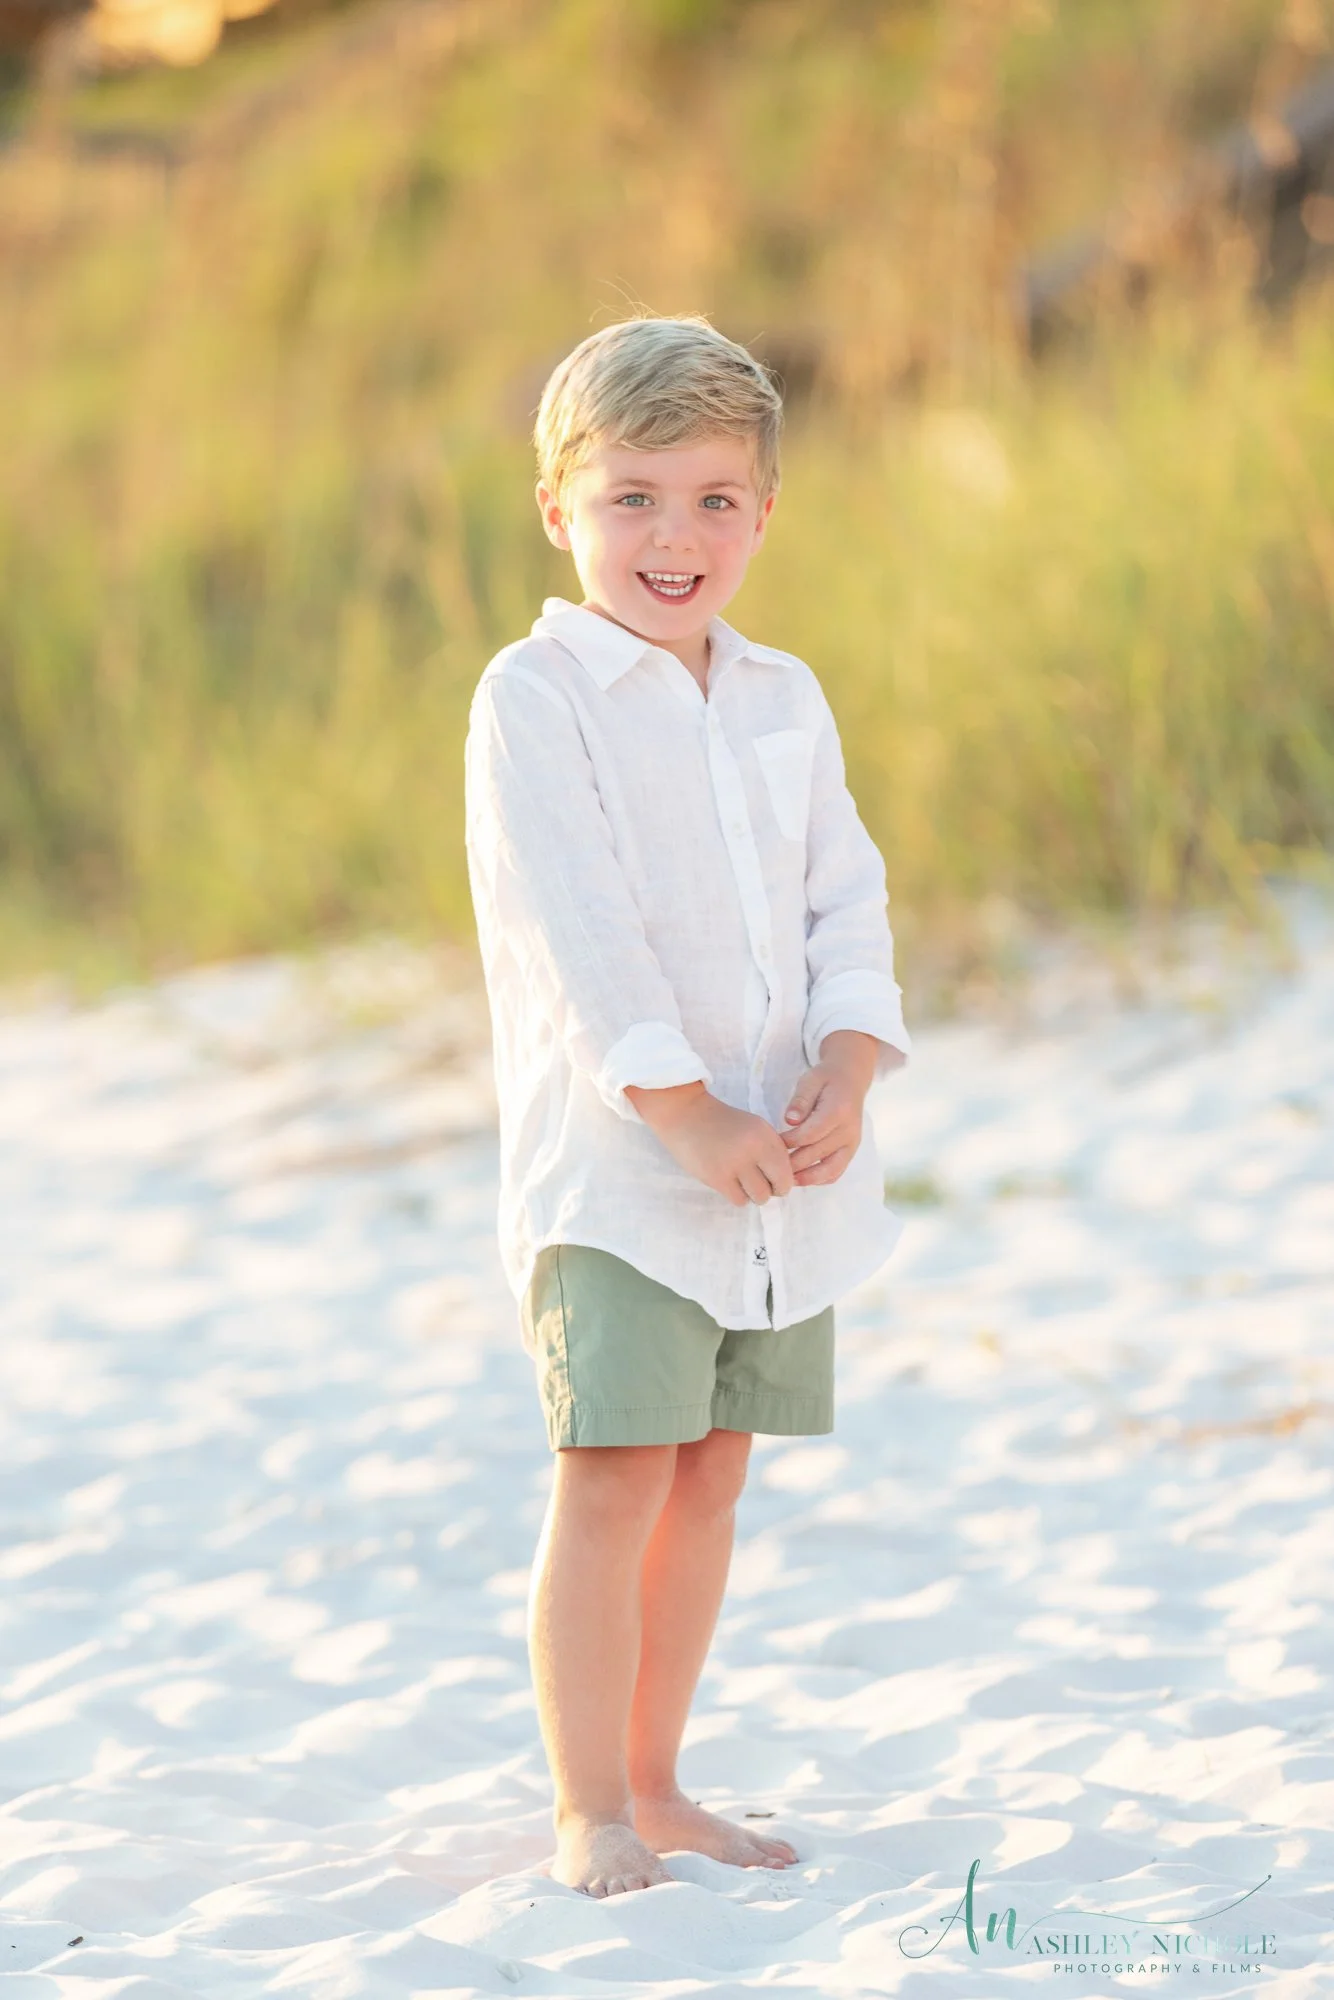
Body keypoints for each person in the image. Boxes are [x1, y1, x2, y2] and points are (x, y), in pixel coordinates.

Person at [464, 314, 910, 1900]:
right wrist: (682, 1112)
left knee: (713, 1466)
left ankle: (660, 1782)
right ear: (559, 511)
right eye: (634, 499)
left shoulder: (783, 694)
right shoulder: (539, 696)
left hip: (779, 1174)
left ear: (765, 512)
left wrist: (846, 1065)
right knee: (617, 1467)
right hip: (623, 1168)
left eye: (714, 500)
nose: (675, 539)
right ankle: (588, 1802)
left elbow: (842, 902)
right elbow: (580, 933)